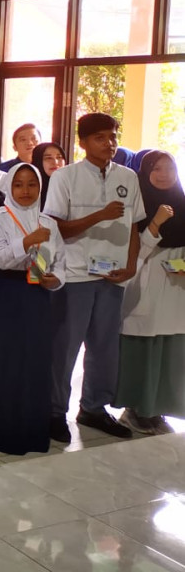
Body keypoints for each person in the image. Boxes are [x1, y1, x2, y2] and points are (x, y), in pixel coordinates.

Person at [43, 112, 143, 443]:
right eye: (100, 137)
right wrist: (99, 215)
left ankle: (94, 408)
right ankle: (55, 411)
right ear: (83, 142)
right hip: (74, 274)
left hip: (112, 275)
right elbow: (56, 227)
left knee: (104, 346)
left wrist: (131, 266)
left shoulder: (128, 176)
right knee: (65, 346)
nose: (110, 143)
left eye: (113, 136)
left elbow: (133, 228)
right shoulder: (65, 177)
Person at [0, 164, 65, 455]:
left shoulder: (48, 222)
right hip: (4, 294)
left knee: (32, 363)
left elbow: (60, 263)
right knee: (0, 363)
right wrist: (27, 241)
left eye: (32, 185)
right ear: (9, 188)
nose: (26, 191)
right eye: (18, 185)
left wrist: (55, 280)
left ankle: (28, 433)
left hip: (37, 297)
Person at [114, 151, 185, 434]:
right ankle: (135, 410)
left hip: (176, 289)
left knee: (170, 347)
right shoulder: (137, 206)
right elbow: (136, 249)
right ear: (145, 172)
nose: (164, 174)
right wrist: (155, 223)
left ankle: (158, 410)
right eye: (157, 168)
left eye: (170, 168)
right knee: (142, 346)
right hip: (145, 285)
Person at [32, 142, 67, 209]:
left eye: (59, 157)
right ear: (38, 161)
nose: (55, 162)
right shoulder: (30, 190)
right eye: (48, 158)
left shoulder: (71, 187)